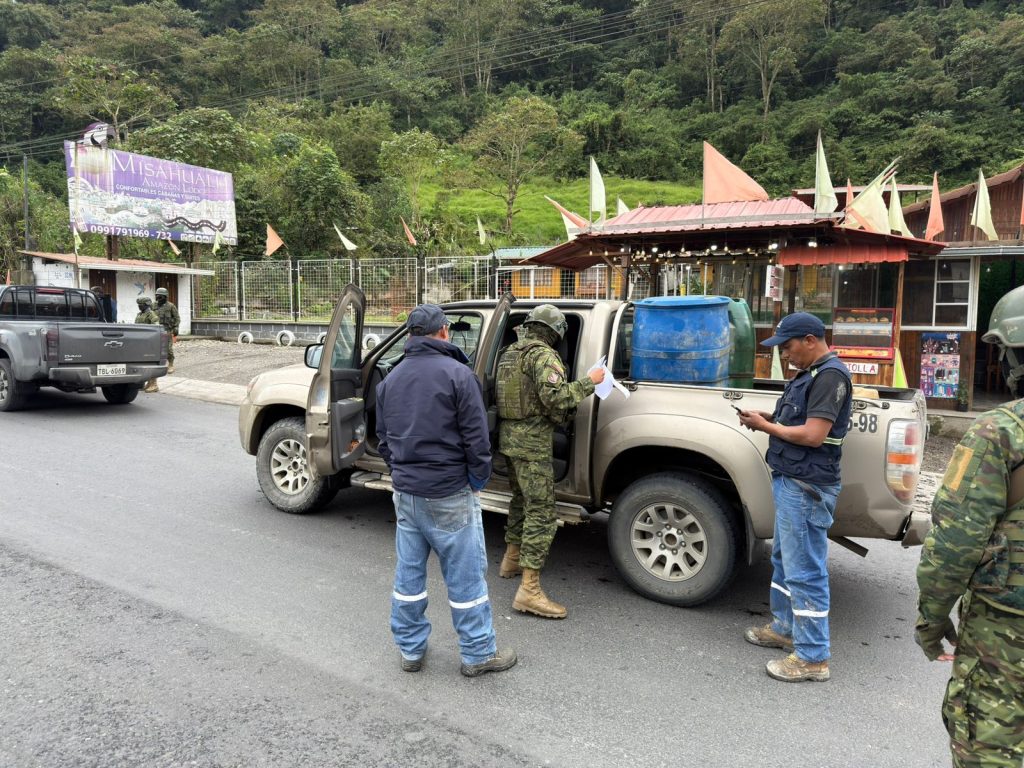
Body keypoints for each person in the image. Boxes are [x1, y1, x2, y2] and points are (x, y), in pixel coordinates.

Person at [376, 303, 516, 678]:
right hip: (449, 492)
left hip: (406, 494)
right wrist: (476, 481)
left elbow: (383, 439)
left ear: (411, 335)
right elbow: (478, 441)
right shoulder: (459, 375)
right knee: (466, 578)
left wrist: (401, 472)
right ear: (443, 332)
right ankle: (478, 653)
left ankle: (410, 650)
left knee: (408, 576)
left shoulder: (390, 379)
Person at [737, 312, 852, 682]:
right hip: (794, 481)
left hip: (807, 486)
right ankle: (785, 629)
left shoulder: (830, 376)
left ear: (810, 340)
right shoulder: (811, 373)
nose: (785, 355)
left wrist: (765, 426)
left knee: (805, 570)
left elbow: (814, 435)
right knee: (785, 560)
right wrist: (768, 417)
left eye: (787, 347)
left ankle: (813, 658)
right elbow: (799, 420)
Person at [914, 413, 1024, 758]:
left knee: (991, 749)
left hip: (1006, 637)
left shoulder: (1003, 431)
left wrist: (931, 618)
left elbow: (955, 543)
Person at [495, 304, 605, 619]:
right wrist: (590, 381)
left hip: (509, 439)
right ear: (555, 332)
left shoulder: (509, 353)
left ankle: (511, 560)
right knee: (542, 513)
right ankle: (529, 591)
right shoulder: (543, 356)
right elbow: (556, 398)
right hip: (532, 443)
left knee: (520, 501)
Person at [134, 296, 161, 393]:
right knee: (143, 363)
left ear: (146, 305)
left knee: (150, 363)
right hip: (140, 343)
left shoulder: (151, 314)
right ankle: (148, 383)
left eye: (140, 305)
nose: (139, 306)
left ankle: (154, 384)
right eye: (138, 305)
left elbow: (156, 328)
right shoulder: (139, 314)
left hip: (149, 343)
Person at [154, 287, 180, 374]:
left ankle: (171, 364)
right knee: (156, 347)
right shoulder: (153, 306)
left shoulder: (171, 306)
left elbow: (177, 318)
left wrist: (176, 327)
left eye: (160, 296)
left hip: (167, 330)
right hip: (155, 330)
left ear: (165, 297)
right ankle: (158, 363)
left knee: (168, 349)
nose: (158, 298)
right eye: (157, 296)